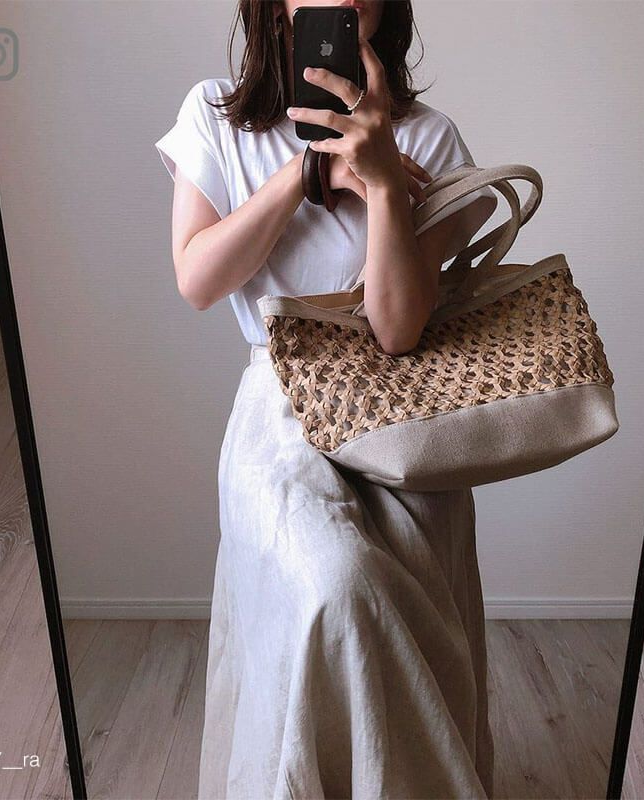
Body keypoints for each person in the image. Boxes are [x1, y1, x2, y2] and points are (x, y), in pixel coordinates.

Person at [154, 1, 498, 796]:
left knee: (403, 594)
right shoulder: (215, 117)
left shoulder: (429, 139)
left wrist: (383, 182)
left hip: (404, 410)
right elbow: (198, 279)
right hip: (278, 409)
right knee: (339, 582)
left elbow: (397, 329)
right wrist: (307, 173)